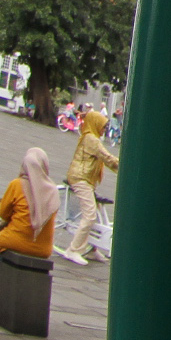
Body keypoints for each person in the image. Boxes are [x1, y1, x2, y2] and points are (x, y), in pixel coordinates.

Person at [0, 147, 60, 317]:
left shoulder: (17, 185)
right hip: (43, 249)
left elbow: (3, 213)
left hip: (15, 241)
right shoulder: (52, 191)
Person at [62, 109, 117, 265]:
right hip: (81, 179)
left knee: (97, 213)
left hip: (85, 179)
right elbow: (107, 158)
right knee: (90, 215)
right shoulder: (92, 139)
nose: (104, 129)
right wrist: (125, 165)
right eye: (103, 126)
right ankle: (73, 250)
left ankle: (91, 249)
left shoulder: (89, 137)